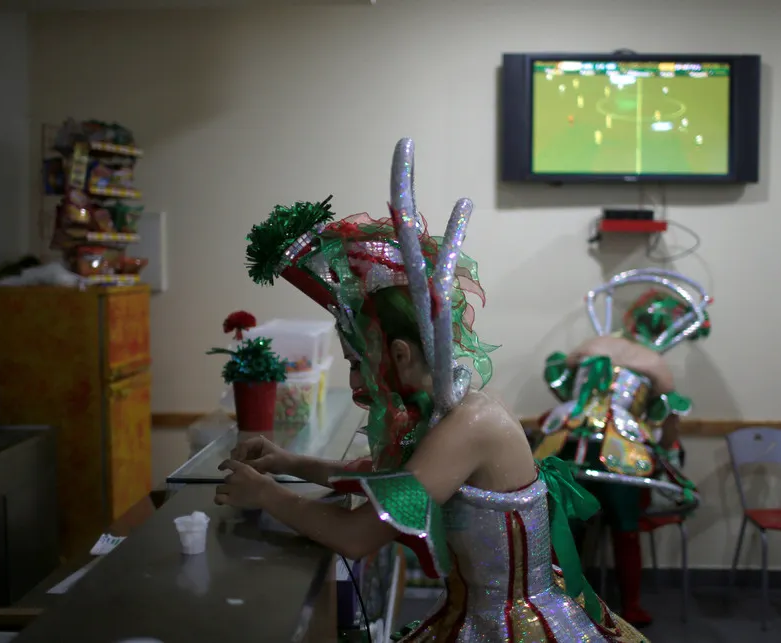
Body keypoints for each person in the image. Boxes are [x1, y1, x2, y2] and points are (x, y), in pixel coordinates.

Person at [213, 138, 649, 642]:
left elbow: (358, 538)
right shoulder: (452, 408)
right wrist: (289, 463)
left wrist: (265, 494)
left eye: (359, 364)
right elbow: (384, 480)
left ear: (399, 354)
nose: (356, 383)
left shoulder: (469, 426)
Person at [533, 272, 711, 627]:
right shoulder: (657, 366)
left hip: (572, 439)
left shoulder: (592, 344)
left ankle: (556, 601)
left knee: (563, 522)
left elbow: (564, 388)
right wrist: (665, 453)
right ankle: (630, 605)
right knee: (624, 526)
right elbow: (668, 425)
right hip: (621, 451)